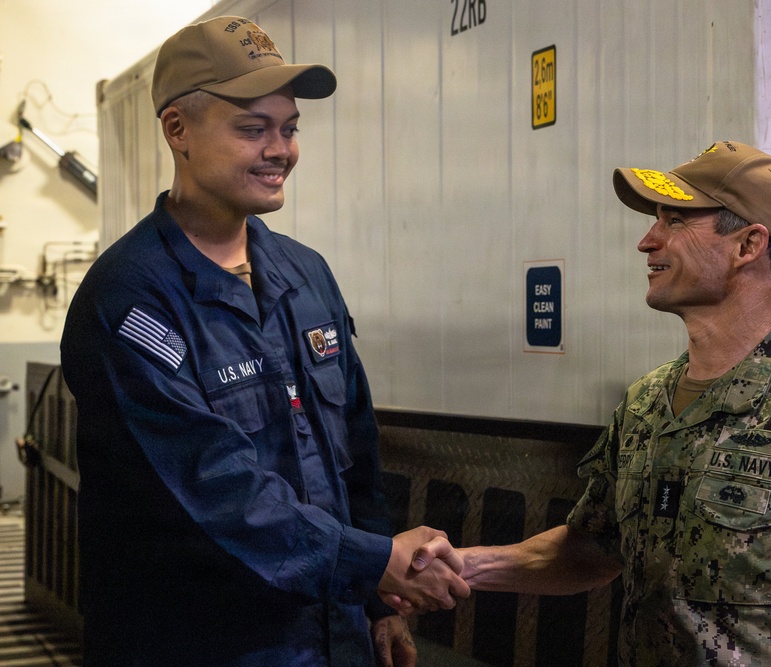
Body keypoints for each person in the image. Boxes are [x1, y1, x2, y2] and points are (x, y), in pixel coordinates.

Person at [405, 141, 771, 666]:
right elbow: (592, 548)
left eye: (675, 221)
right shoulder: (646, 404)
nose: (647, 241)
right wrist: (463, 565)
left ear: (748, 245)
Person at [60, 16, 466, 667]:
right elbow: (211, 492)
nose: (281, 148)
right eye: (253, 128)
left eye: (290, 127)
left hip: (331, 640)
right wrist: (376, 562)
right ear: (177, 130)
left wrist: (375, 604)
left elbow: (357, 452)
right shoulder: (130, 298)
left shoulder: (306, 274)